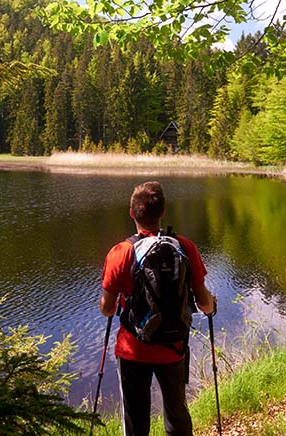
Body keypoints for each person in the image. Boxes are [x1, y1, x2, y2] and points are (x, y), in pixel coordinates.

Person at [99, 181, 216, 436]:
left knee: (135, 419)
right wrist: (211, 305)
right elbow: (204, 303)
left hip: (132, 351)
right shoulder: (185, 247)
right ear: (162, 213)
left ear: (131, 213)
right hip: (174, 348)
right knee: (177, 414)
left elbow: (107, 309)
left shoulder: (120, 252)